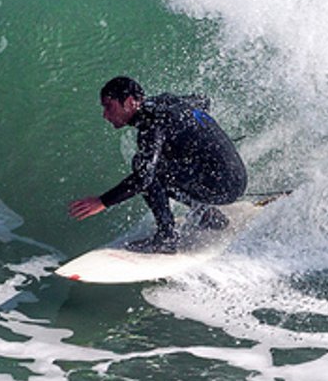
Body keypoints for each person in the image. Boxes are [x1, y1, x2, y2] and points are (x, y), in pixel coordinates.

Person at [67, 75, 247, 253]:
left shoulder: (152, 124)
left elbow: (143, 179)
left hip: (223, 187)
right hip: (236, 177)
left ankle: (166, 238)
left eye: (109, 106)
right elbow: (203, 101)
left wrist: (101, 202)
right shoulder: (165, 101)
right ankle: (207, 215)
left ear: (129, 102)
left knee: (146, 168)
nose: (105, 115)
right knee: (164, 158)